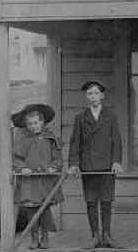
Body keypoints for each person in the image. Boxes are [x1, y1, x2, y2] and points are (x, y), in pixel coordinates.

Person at [67, 80, 123, 249]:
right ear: (86, 97)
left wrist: (117, 161)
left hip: (107, 165)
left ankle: (107, 235)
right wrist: (74, 164)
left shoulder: (111, 115)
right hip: (88, 165)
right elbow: (75, 142)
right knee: (91, 201)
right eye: (90, 93)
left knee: (106, 201)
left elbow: (117, 141)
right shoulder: (80, 118)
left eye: (96, 93)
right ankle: (94, 236)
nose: (93, 96)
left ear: (102, 96)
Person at [12, 104, 64, 249]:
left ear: (42, 122)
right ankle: (34, 238)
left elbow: (58, 158)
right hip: (30, 182)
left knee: (44, 208)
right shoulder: (22, 140)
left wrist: (54, 167)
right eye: (30, 124)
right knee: (31, 209)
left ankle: (45, 237)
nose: (33, 126)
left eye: (36, 123)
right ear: (26, 125)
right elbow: (16, 158)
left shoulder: (50, 138)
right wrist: (23, 168)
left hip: (45, 180)